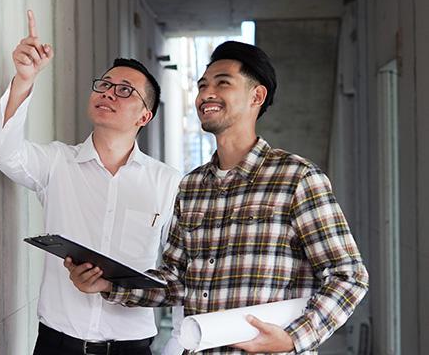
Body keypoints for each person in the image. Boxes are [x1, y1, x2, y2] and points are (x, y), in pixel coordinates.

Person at [65, 41, 369, 354]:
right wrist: (110, 285)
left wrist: (295, 337)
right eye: (202, 85)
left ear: (257, 96)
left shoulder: (297, 178)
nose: (206, 94)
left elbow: (349, 276)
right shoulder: (192, 187)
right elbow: (176, 282)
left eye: (222, 83)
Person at [0, 10, 182, 355]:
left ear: (144, 116)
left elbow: (178, 274)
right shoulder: (58, 163)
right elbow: (4, 151)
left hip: (131, 348)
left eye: (124, 90)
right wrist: (24, 80)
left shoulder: (168, 183)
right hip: (57, 344)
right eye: (104, 85)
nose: (108, 93)